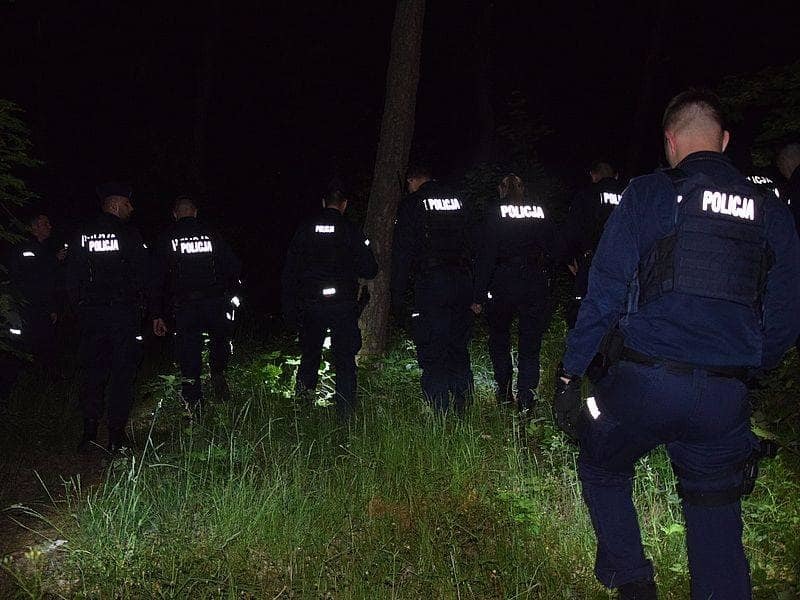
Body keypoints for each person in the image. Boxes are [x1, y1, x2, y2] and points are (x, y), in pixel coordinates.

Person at [554, 90, 800, 599]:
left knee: (601, 464)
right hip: (723, 395)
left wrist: (570, 372)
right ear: (724, 141)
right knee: (714, 505)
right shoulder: (771, 210)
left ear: (670, 142)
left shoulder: (648, 193)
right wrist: (754, 368)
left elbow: (604, 291)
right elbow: (787, 309)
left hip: (644, 382)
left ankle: (632, 580)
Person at [281, 183, 377, 421]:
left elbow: (290, 270)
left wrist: (290, 306)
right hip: (342, 305)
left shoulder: (306, 228)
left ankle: (302, 411)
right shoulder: (351, 230)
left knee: (310, 356)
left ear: (324, 203)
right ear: (344, 205)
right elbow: (370, 269)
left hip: (312, 304)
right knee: (345, 359)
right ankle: (345, 414)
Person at [65, 183, 149, 452]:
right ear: (114, 204)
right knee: (122, 374)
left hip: (91, 315)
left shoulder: (82, 233)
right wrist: (145, 308)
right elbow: (144, 273)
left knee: (93, 372)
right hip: (122, 315)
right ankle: (116, 436)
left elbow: (71, 275)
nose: (131, 208)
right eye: (127, 203)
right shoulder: (129, 234)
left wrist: (79, 309)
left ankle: (88, 434)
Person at [391, 164, 473, 414]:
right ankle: (464, 403)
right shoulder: (457, 200)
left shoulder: (413, 203)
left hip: (432, 283)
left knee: (432, 344)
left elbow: (403, 252)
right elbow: (474, 241)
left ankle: (439, 407)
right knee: (458, 343)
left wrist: (397, 295)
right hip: (461, 281)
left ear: (413, 180)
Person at [471, 174, 555, 415]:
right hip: (534, 281)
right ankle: (527, 397)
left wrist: (478, 294)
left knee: (499, 337)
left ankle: (505, 391)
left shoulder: (495, 212)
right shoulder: (538, 210)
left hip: (503, 281)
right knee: (530, 342)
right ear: (522, 189)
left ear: (502, 189)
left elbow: (486, 255)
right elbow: (553, 247)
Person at [150, 195, 241, 412]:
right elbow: (232, 265)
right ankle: (218, 373)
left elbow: (156, 277)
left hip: (184, 306)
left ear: (175, 214)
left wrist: (157, 312)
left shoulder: (167, 237)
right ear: (195, 212)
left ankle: (193, 401)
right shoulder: (211, 234)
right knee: (220, 340)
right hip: (215, 302)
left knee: (188, 350)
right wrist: (231, 293)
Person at [564, 160, 626, 328]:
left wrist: (569, 258)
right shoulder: (630, 196)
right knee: (619, 311)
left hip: (592, 262)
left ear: (593, 175)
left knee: (584, 311)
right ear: (616, 176)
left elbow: (572, 229)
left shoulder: (586, 195)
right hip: (624, 264)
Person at [6, 212, 65, 370]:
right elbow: (33, 275)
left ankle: (43, 375)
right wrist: (54, 260)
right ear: (35, 227)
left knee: (46, 344)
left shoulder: (45, 249)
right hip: (26, 307)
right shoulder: (24, 247)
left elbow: (49, 282)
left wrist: (52, 307)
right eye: (45, 224)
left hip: (43, 306)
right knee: (25, 343)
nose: (50, 226)